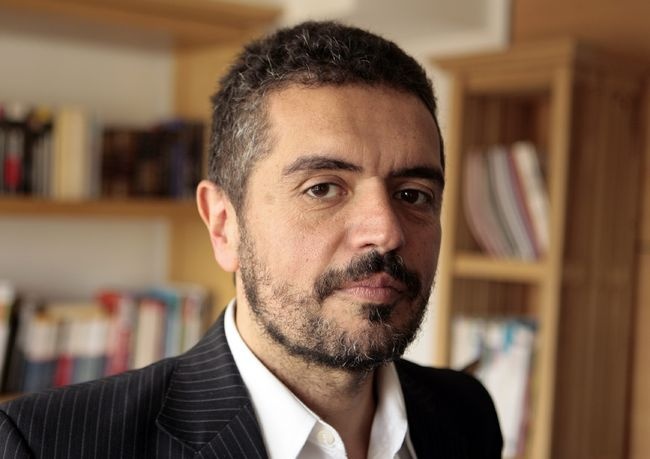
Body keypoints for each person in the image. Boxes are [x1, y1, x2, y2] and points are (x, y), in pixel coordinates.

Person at [0, 21, 502, 458]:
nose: (387, 231)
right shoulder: (47, 444)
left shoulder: (466, 413)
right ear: (224, 224)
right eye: (322, 188)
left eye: (413, 194)